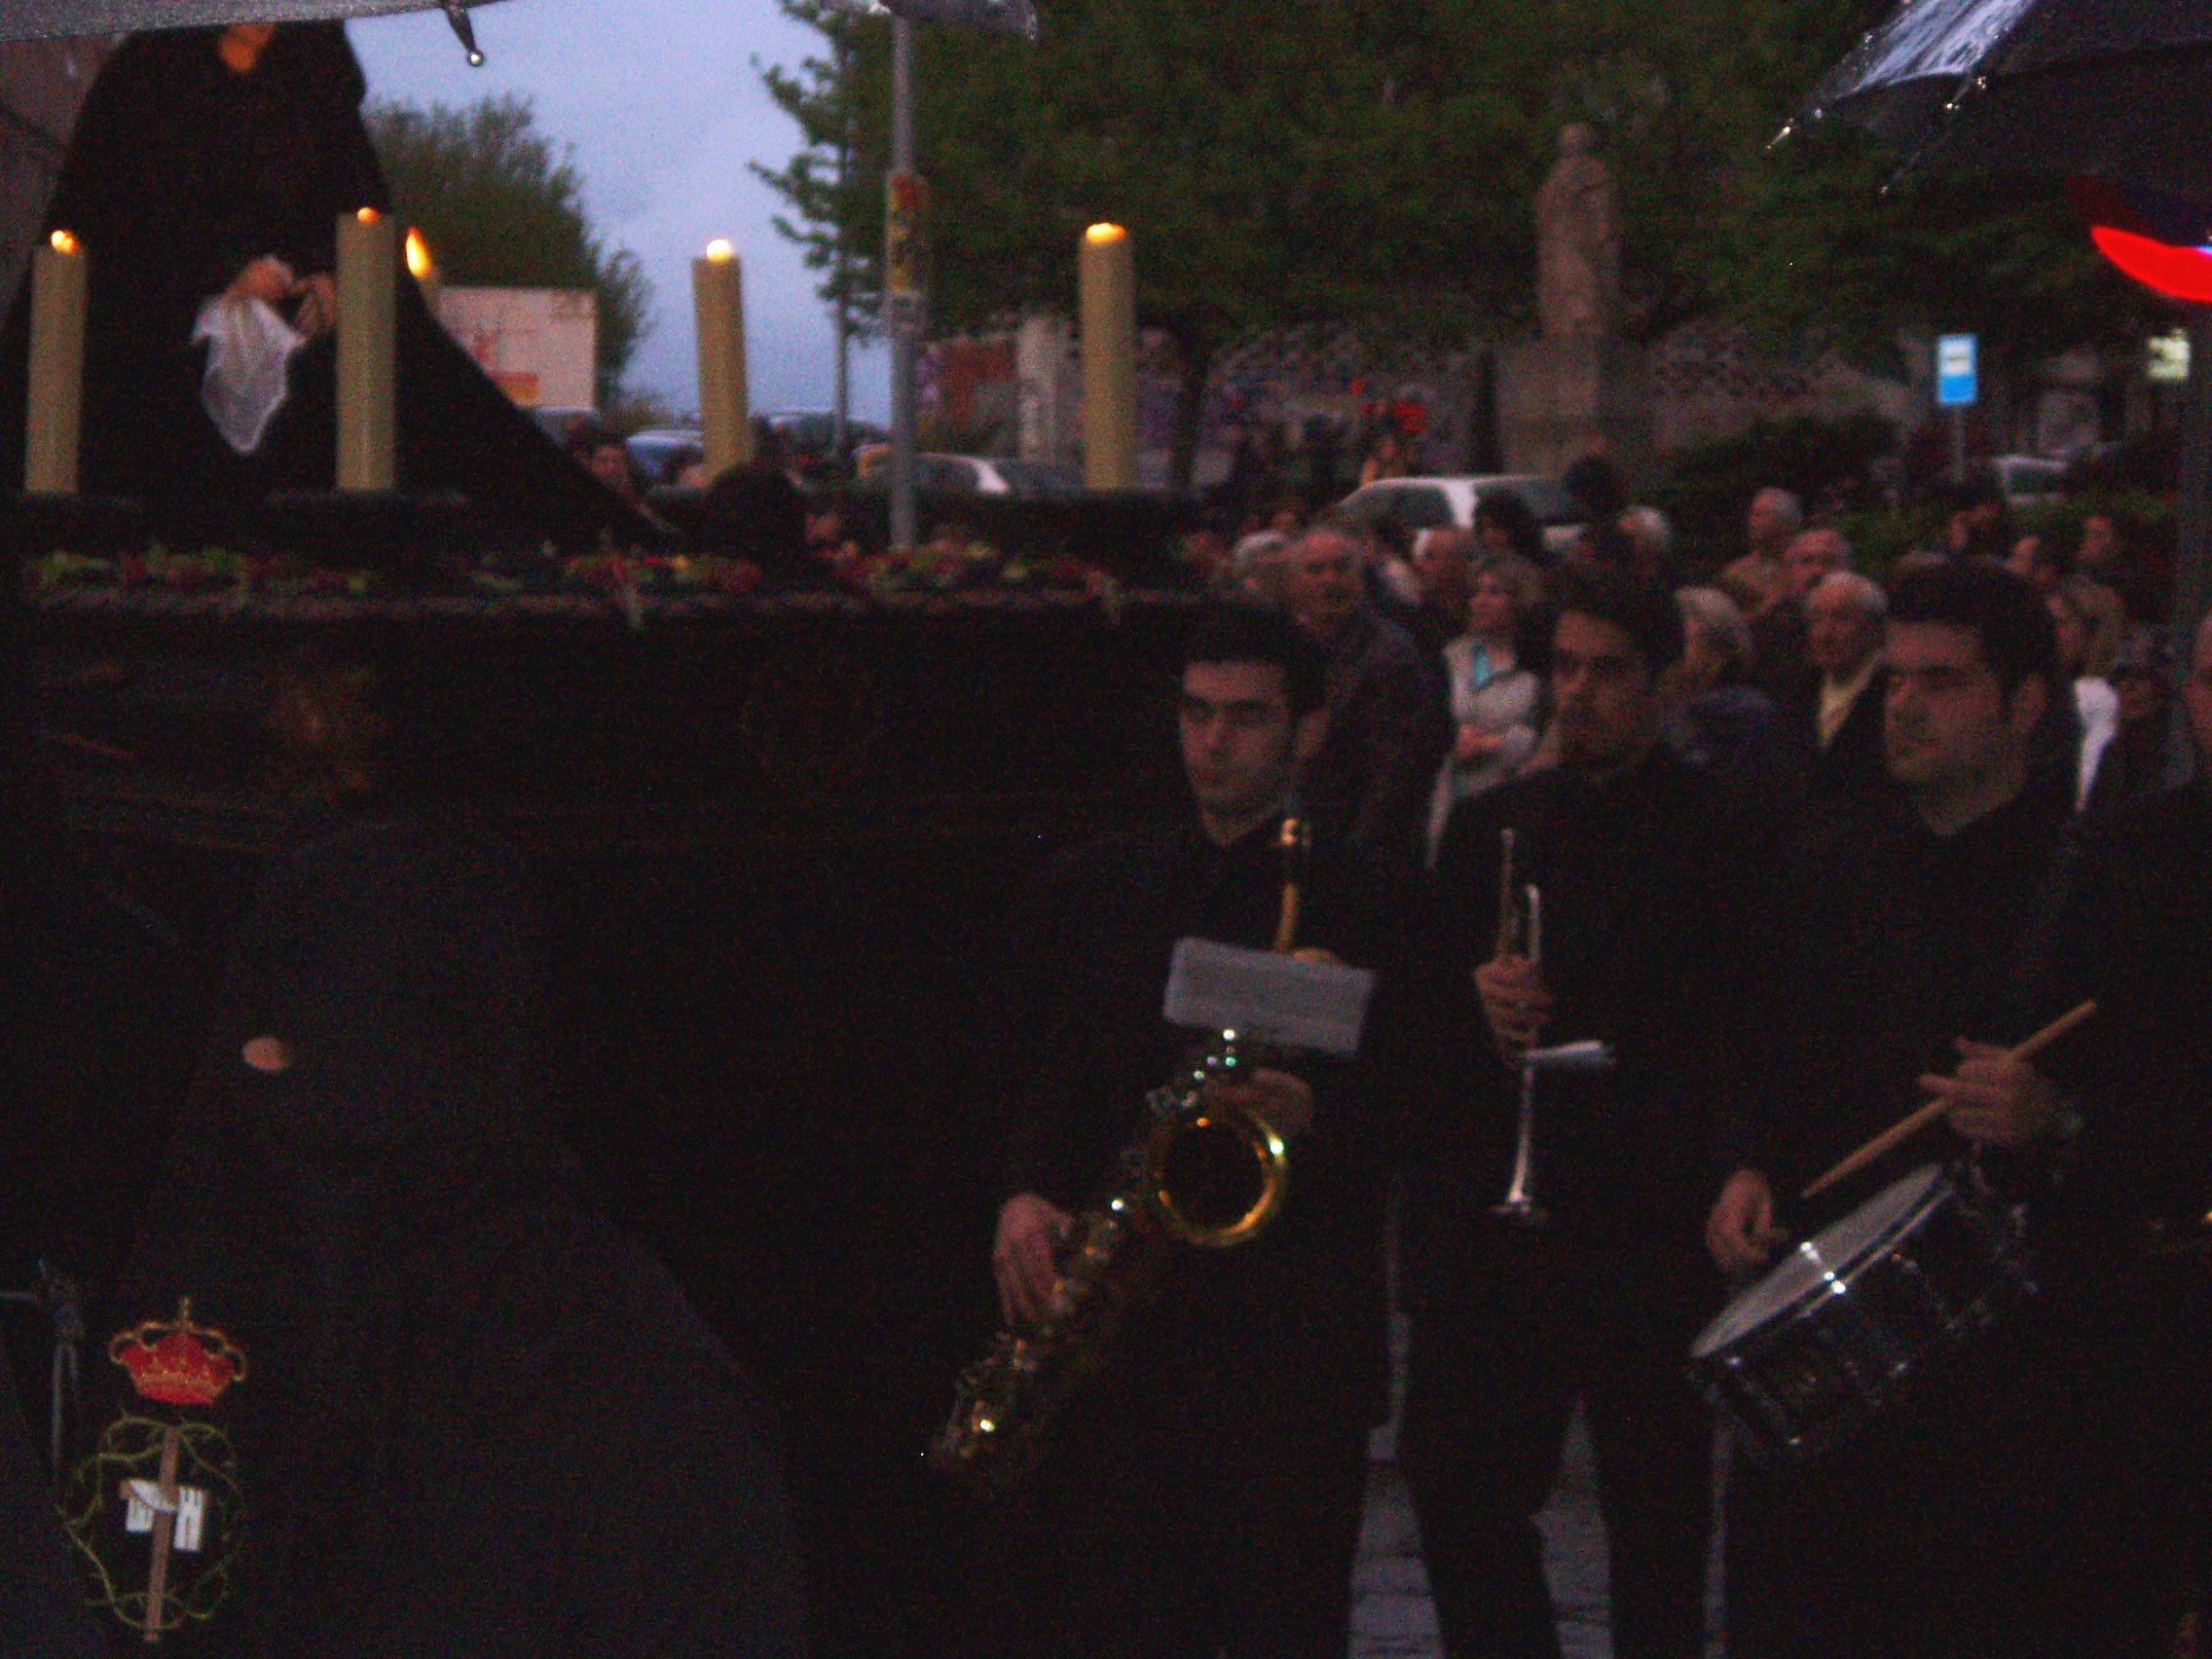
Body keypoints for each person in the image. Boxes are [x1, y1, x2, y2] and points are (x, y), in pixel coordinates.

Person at [81, 823, 806, 1656]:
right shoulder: (190, 1319)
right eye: (258, 1052)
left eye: (329, 1052)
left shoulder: (614, 1375)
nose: (274, 1097)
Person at [986, 604, 1459, 1659]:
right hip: (1128, 1340)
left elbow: (1448, 1108)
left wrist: (1321, 1117)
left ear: (1309, 732)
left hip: (1290, 1351)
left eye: (1245, 718)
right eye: (1196, 714)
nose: (1212, 742)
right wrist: (1024, 1192)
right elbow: (1054, 1071)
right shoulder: (1102, 887)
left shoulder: (1379, 901)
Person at [1704, 562, 2115, 1659]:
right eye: (1895, 682)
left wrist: (2051, 1119)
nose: (1904, 705)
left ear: (2026, 704)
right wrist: (1745, 1166)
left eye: (1941, 682)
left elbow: (2153, 1130)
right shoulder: (1830, 865)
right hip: (1821, 1365)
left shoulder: (2093, 891)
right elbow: (1770, 1056)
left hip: (1996, 1389)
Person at [1406, 570, 1756, 1659]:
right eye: (1564, 667)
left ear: (1665, 683)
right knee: (1453, 1477)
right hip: (1505, 1220)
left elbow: (1742, 1017)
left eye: (1609, 671)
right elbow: (1422, 1000)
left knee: (1655, 1514)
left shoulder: (1724, 831)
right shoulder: (1492, 828)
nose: (1579, 693)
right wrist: (1474, 996)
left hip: (1646, 1218)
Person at [0, 23, 646, 551]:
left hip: (305, 331)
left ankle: (589, 536)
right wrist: (221, 277)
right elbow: (116, 226)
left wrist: (335, 274)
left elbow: (356, 208)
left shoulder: (311, 78)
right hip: (165, 332)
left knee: (399, 375)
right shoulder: (147, 76)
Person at [1280, 525, 1451, 861]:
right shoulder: (1283, 645)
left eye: (1341, 568)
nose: (1329, 580)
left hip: (1359, 847)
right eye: (1315, 570)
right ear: (1294, 581)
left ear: (1360, 576)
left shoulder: (1390, 653)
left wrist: (1356, 854)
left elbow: (1398, 770)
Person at [1426, 550, 1545, 858]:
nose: (1481, 601)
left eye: (1494, 592)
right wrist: (1452, 735)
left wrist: (1497, 744)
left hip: (1506, 798)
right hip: (1448, 799)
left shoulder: (1537, 666)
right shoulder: (1454, 655)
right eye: (1477, 591)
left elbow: (1547, 739)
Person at [1788, 571, 1893, 820]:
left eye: (1842, 619)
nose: (1825, 633)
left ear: (1874, 628)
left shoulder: (1893, 696)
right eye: (1817, 620)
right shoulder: (1798, 697)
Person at [2047, 573, 2124, 807]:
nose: (2049, 633)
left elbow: (2083, 789)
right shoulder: (2040, 690)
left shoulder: (2096, 697)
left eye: (2061, 623)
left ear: (2091, 633)